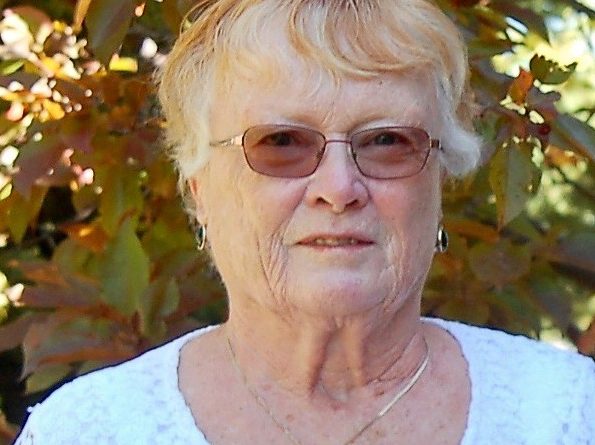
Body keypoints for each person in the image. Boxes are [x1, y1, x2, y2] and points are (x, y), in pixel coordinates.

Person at [14, 0, 595, 444]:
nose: (338, 189)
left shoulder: (567, 414)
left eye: (387, 141)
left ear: (438, 184)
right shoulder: (91, 431)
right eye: (281, 142)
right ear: (200, 193)